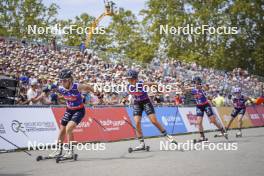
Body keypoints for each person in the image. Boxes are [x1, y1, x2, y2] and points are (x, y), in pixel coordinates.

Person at [49, 69, 103, 158]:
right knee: (62, 130)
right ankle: (58, 150)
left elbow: (88, 87)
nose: (62, 82)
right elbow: (64, 95)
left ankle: (70, 151)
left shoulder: (77, 87)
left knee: (69, 128)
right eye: (61, 80)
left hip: (79, 110)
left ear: (70, 80)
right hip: (69, 110)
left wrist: (97, 93)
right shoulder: (60, 88)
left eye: (65, 80)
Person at [126, 70, 177, 150]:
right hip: (137, 103)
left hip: (146, 102)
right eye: (128, 79)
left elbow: (155, 84)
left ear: (135, 79)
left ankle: (167, 136)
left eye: (131, 79)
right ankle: (142, 144)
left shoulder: (141, 84)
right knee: (137, 122)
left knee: (153, 121)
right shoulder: (128, 86)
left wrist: (158, 91)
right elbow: (133, 95)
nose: (129, 81)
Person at [184, 77, 228, 141]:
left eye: (196, 82)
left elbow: (207, 88)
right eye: (194, 82)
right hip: (199, 106)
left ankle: (222, 130)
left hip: (206, 105)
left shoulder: (202, 87)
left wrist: (201, 86)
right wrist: (183, 87)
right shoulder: (193, 89)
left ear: (199, 82)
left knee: (213, 121)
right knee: (199, 122)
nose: (195, 83)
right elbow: (186, 90)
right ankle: (202, 137)